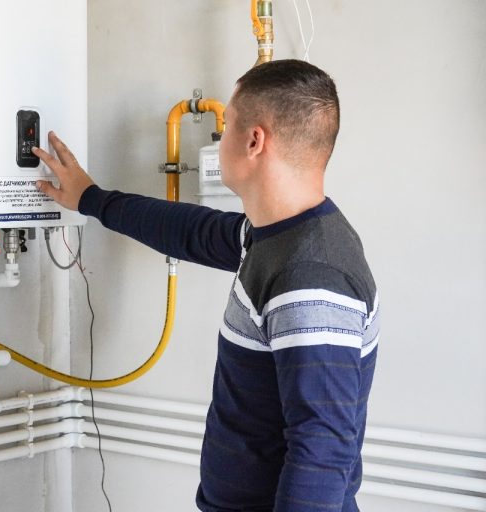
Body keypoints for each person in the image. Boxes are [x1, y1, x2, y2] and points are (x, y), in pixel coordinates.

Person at [32, 59, 379, 512]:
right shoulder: (277, 235)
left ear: (255, 141)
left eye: (228, 125)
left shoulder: (309, 275)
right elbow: (193, 231)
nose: (220, 137)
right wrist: (91, 199)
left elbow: (323, 450)